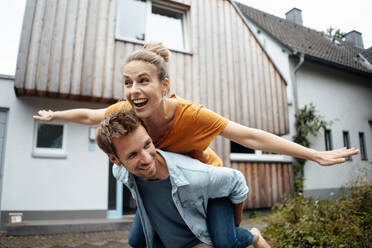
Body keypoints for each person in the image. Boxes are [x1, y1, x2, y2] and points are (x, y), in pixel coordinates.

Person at [33, 42, 359, 246]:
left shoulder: (192, 115)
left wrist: (313, 154)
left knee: (222, 241)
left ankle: (254, 237)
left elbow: (248, 135)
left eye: (143, 80)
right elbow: (92, 117)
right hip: (173, 185)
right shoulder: (128, 112)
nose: (133, 90)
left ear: (164, 85)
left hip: (208, 183)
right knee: (140, 239)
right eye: (127, 82)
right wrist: (55, 116)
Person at [96, 108, 271, 248]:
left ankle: (254, 235)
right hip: (169, 198)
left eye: (147, 144)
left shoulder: (194, 175)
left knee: (226, 243)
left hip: (215, 194)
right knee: (136, 242)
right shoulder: (120, 172)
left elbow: (237, 181)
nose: (147, 159)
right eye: (133, 154)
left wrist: (234, 223)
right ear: (115, 160)